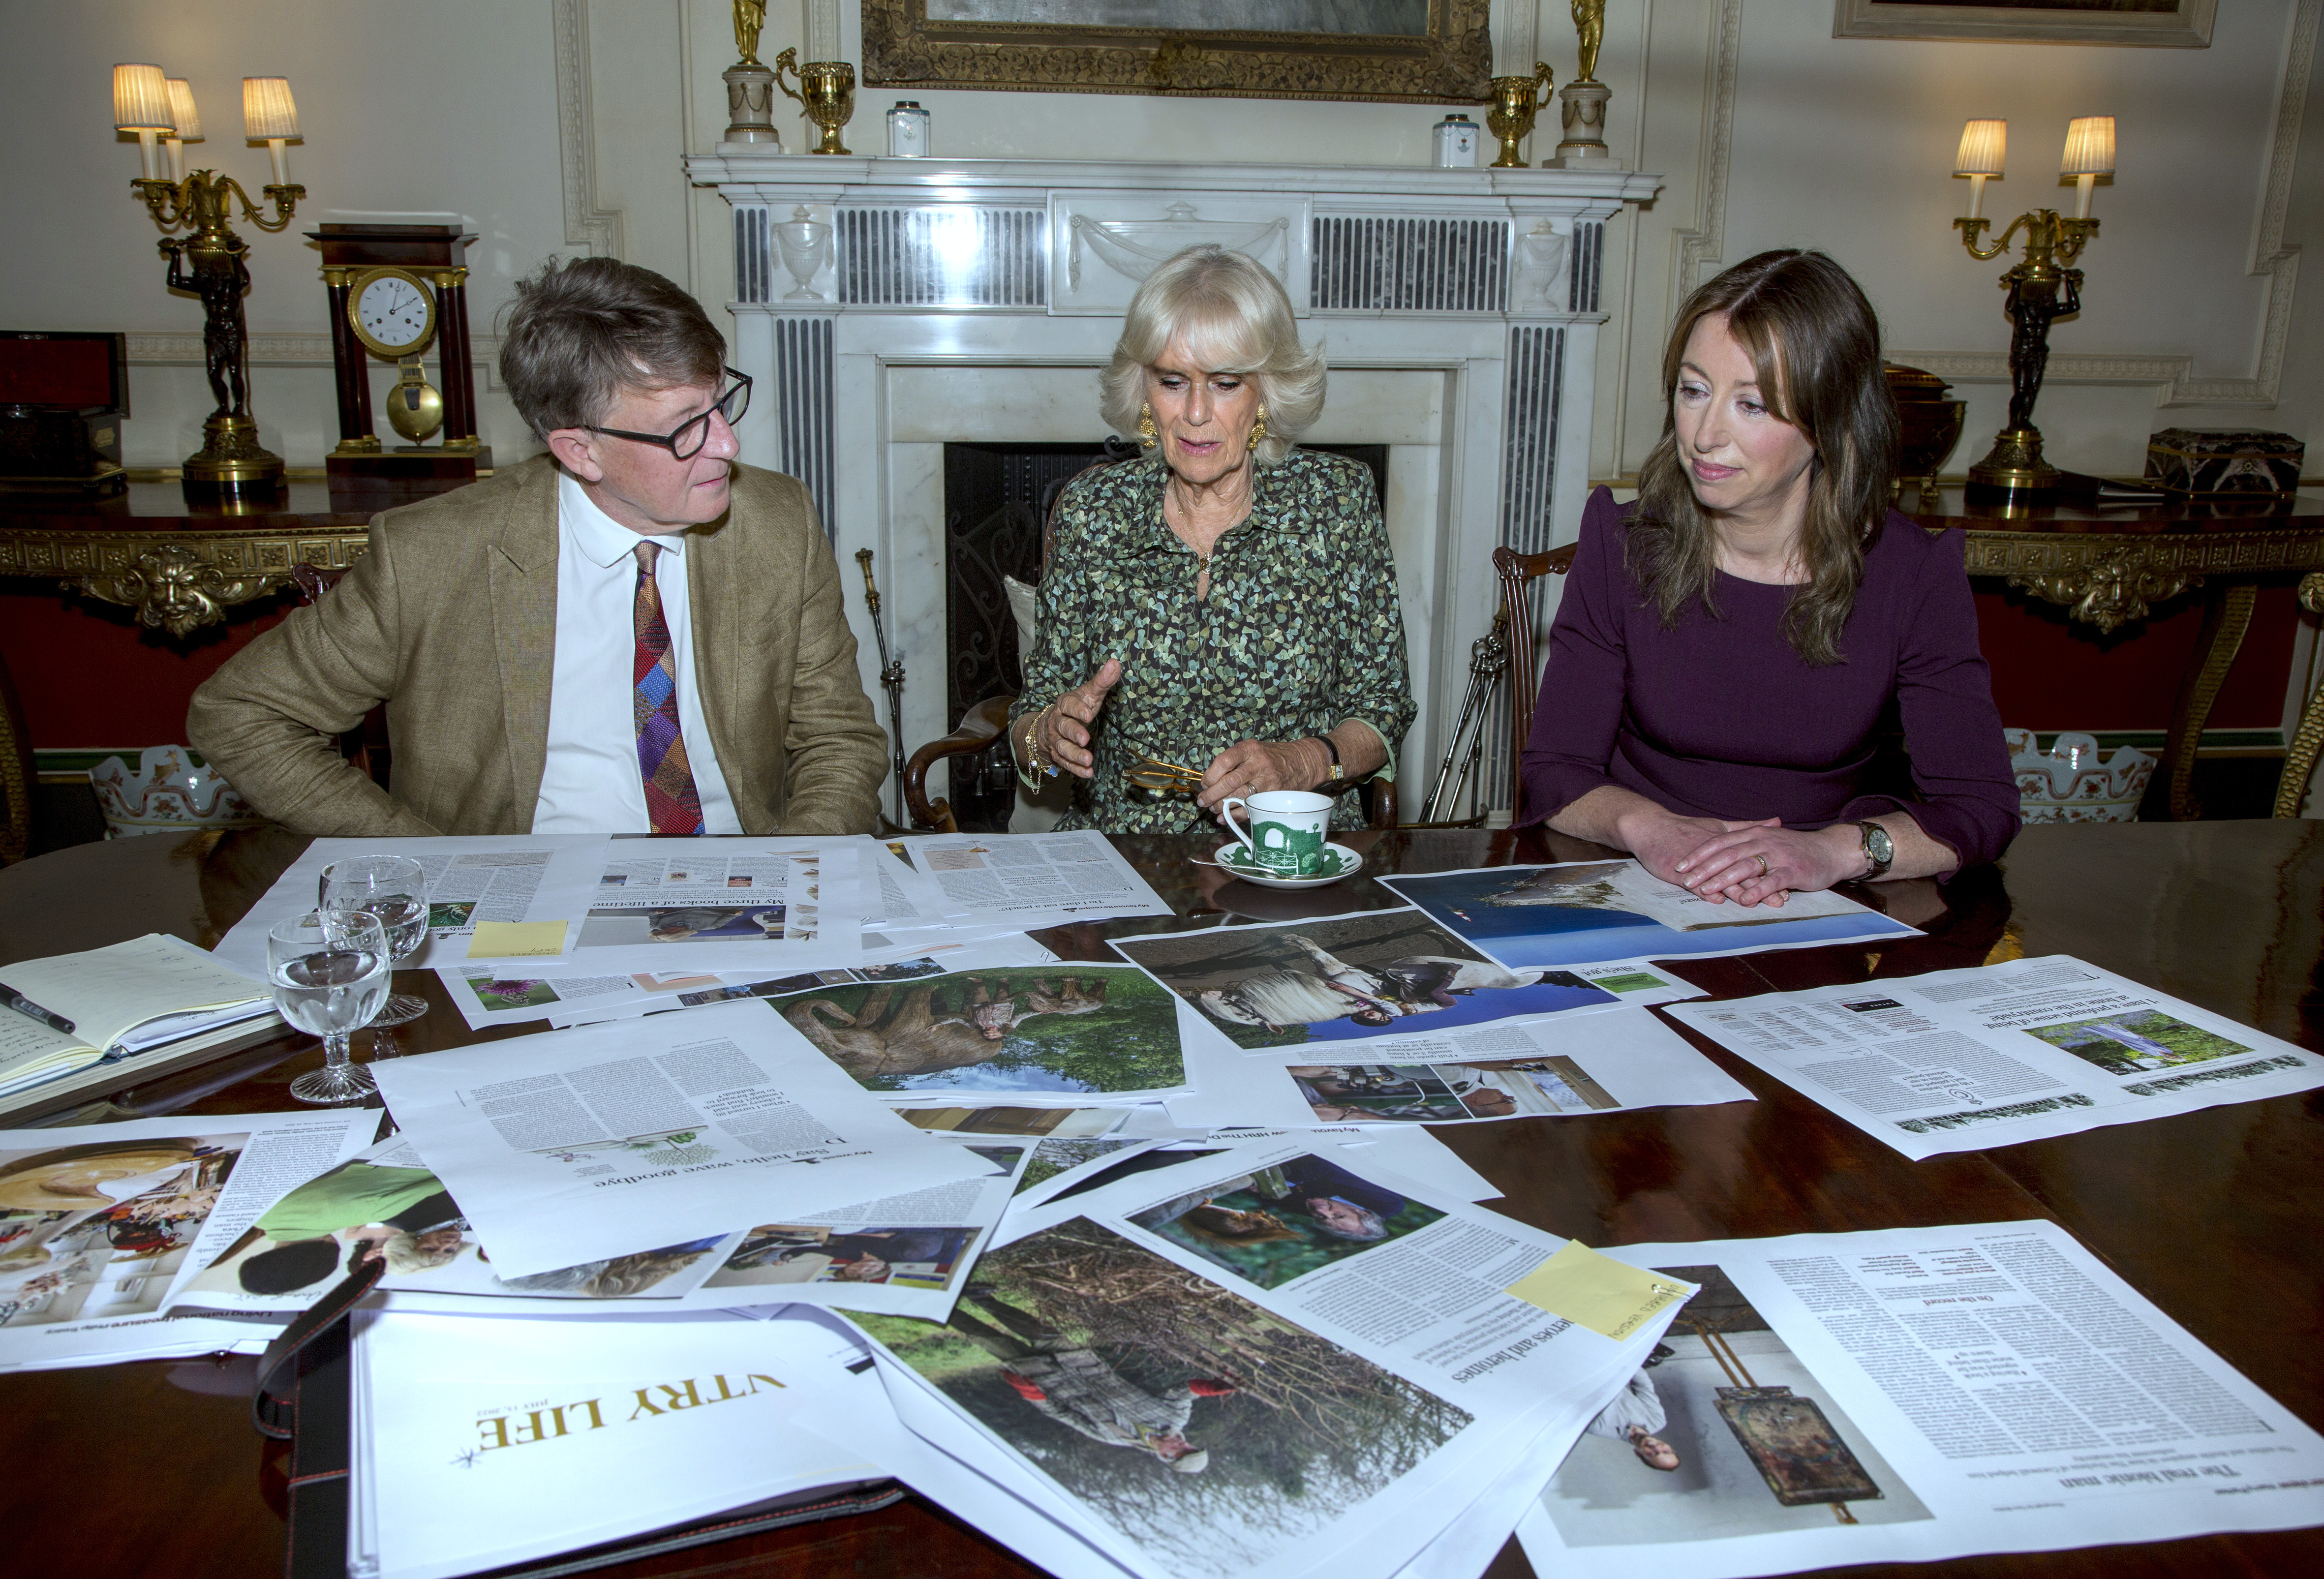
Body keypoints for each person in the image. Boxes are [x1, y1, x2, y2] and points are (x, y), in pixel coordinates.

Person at [188, 256, 886, 838]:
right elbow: (242, 714)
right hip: (530, 908)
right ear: (579, 449)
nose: (728, 445)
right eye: (686, 427)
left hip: (745, 885)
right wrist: (417, 862)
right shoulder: (431, 556)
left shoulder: (776, 522)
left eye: (720, 403)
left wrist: (798, 870)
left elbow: (839, 740)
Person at [1520, 249, 2018, 904]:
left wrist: (1829, 850)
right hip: (1641, 881)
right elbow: (1555, 770)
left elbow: (1981, 808)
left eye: (1752, 405)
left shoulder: (1910, 572)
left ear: (1830, 419)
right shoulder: (1622, 544)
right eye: (1694, 391)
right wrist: (1652, 828)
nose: (1704, 435)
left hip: (1824, 899)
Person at [1008, 244, 1415, 833]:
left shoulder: (1335, 503)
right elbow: (1031, 720)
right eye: (1173, 382)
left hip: (1287, 851)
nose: (1195, 413)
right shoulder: (1092, 511)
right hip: (1127, 853)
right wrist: (1047, 733)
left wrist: (1301, 761)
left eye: (1225, 384)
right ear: (1144, 392)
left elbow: (1383, 710)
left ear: (1265, 394)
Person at [946, 1287, 1236, 1472]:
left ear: (1166, 1458)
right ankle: (979, 1296)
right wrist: (1212, 1388)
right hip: (1081, 1361)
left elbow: (1060, 1413)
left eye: (1180, 1452)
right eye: (1188, 1446)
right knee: (1036, 1328)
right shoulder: (1175, 1416)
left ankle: (942, 1305)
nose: (1182, 1445)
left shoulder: (1112, 1437)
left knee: (984, 1337)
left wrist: (1031, 1392)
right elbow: (1183, 1392)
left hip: (1040, 1375)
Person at [1586, 1357, 1682, 1472]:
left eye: (1653, 1454)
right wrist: (1630, 1359)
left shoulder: (1600, 1429)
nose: (1656, 1448)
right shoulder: (1658, 1421)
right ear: (1671, 1448)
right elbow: (1644, 1386)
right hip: (1611, 1362)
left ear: (1638, 1453)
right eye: (1666, 1451)